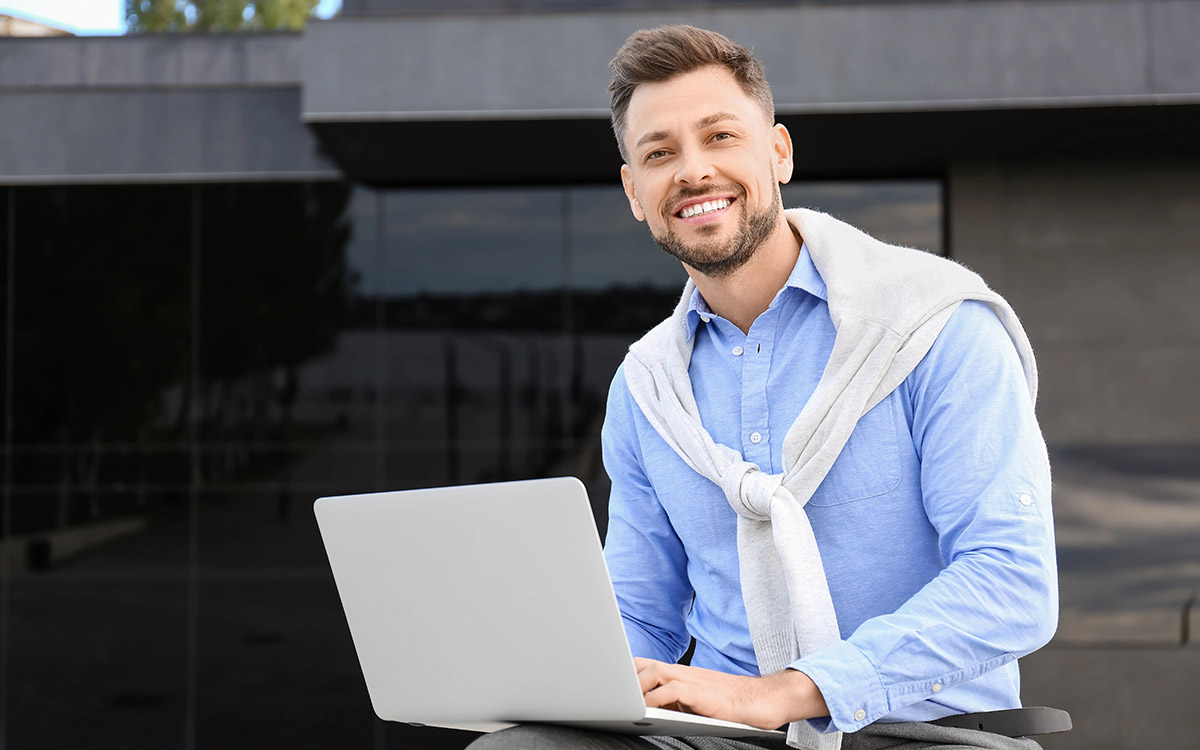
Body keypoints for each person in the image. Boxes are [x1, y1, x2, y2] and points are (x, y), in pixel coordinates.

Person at [470, 25, 1057, 750]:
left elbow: (1012, 585)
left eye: (720, 136)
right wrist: (553, 679)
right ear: (633, 191)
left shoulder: (935, 328)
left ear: (777, 153)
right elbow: (641, 610)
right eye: (659, 153)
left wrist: (787, 694)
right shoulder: (647, 389)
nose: (692, 172)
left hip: (920, 730)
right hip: (723, 737)